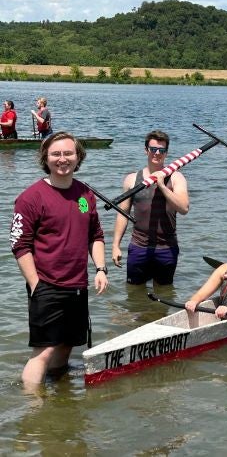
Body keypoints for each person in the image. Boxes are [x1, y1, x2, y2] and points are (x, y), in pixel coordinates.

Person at [10, 131, 108, 388]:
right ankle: (34, 411)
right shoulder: (31, 197)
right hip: (46, 286)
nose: (62, 159)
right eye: (56, 154)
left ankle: (59, 397)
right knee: (43, 352)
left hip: (77, 286)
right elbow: (19, 245)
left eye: (68, 153)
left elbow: (95, 234)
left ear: (78, 158)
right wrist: (35, 284)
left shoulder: (85, 196)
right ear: (45, 157)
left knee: (66, 346)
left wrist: (100, 268)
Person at [112, 130, 189, 287]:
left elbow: (183, 208)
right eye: (153, 149)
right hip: (138, 246)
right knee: (134, 294)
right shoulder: (132, 179)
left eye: (162, 150)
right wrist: (115, 245)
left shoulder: (176, 177)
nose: (157, 153)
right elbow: (122, 214)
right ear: (146, 150)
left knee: (163, 294)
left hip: (167, 248)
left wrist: (161, 185)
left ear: (166, 153)